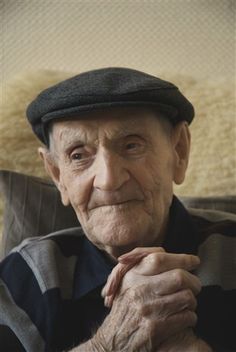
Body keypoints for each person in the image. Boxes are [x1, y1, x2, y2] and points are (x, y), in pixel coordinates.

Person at [0, 67, 235, 352]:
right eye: (78, 155)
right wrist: (106, 345)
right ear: (57, 174)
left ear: (179, 152)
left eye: (132, 145)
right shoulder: (26, 275)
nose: (109, 179)